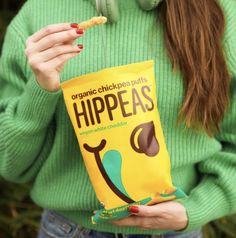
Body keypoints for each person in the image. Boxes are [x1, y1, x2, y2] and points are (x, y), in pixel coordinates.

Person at [0, 0, 235, 237]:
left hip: (176, 231)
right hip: (68, 230)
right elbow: (12, 164)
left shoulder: (221, 11)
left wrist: (196, 209)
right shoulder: (40, 13)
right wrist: (40, 90)